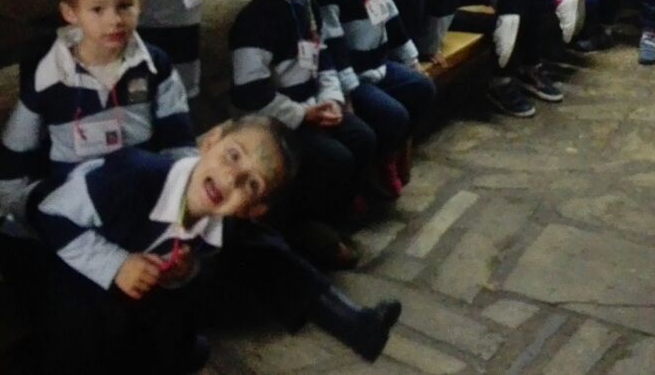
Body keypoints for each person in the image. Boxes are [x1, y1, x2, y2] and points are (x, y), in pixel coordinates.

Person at [28, 117, 402, 375]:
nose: (231, 177)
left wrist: (185, 271)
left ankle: (352, 322)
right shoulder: (134, 175)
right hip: (44, 246)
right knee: (85, 326)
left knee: (241, 249)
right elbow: (45, 213)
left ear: (255, 208)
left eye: (251, 184)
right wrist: (115, 264)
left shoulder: (218, 217)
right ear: (209, 142)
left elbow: (194, 264)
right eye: (232, 156)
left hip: (130, 259)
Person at [0, 0, 192, 335]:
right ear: (71, 13)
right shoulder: (47, 81)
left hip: (140, 201)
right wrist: (29, 211)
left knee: (167, 296)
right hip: (77, 209)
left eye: (124, 6)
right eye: (97, 10)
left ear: (141, 2)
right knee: (82, 307)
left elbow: (180, 145)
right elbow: (13, 163)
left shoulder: (156, 67)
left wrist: (178, 213)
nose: (114, 20)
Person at [228, 0, 375, 260]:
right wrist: (303, 114)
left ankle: (336, 213)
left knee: (363, 137)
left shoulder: (305, 3)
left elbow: (322, 56)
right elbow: (251, 93)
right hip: (277, 121)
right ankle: (311, 229)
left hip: (314, 106)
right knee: (334, 158)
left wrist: (332, 99)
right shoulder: (253, 24)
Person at [302, 0, 437, 199]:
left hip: (376, 64)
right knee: (393, 116)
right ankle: (374, 167)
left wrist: (410, 58)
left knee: (422, 89)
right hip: (350, 75)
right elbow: (331, 40)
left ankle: (388, 152)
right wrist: (347, 91)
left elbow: (388, 12)